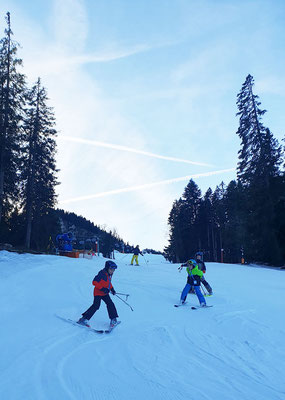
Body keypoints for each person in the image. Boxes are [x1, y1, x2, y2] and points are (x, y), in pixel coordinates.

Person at [77, 260, 119, 328]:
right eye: (111, 269)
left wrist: (112, 289)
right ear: (107, 268)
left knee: (110, 304)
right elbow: (94, 282)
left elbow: (108, 283)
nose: (112, 271)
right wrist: (102, 288)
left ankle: (113, 319)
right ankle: (83, 319)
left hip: (105, 293)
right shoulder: (101, 274)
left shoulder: (109, 275)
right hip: (98, 293)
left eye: (114, 270)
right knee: (96, 306)